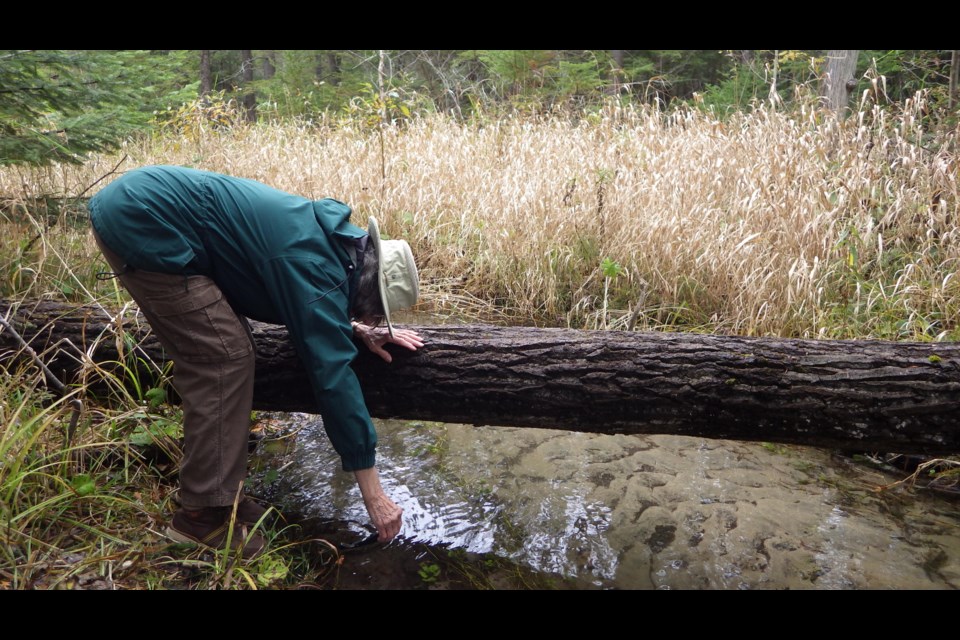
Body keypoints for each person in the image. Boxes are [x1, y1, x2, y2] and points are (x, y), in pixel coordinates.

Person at [88, 165, 424, 559]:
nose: (371, 319)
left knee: (231, 348)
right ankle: (199, 517)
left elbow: (310, 298)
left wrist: (352, 328)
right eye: (373, 311)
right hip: (144, 222)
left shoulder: (331, 245)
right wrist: (374, 494)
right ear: (366, 288)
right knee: (221, 358)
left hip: (144, 203)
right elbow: (333, 379)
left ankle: (223, 496)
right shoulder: (311, 265)